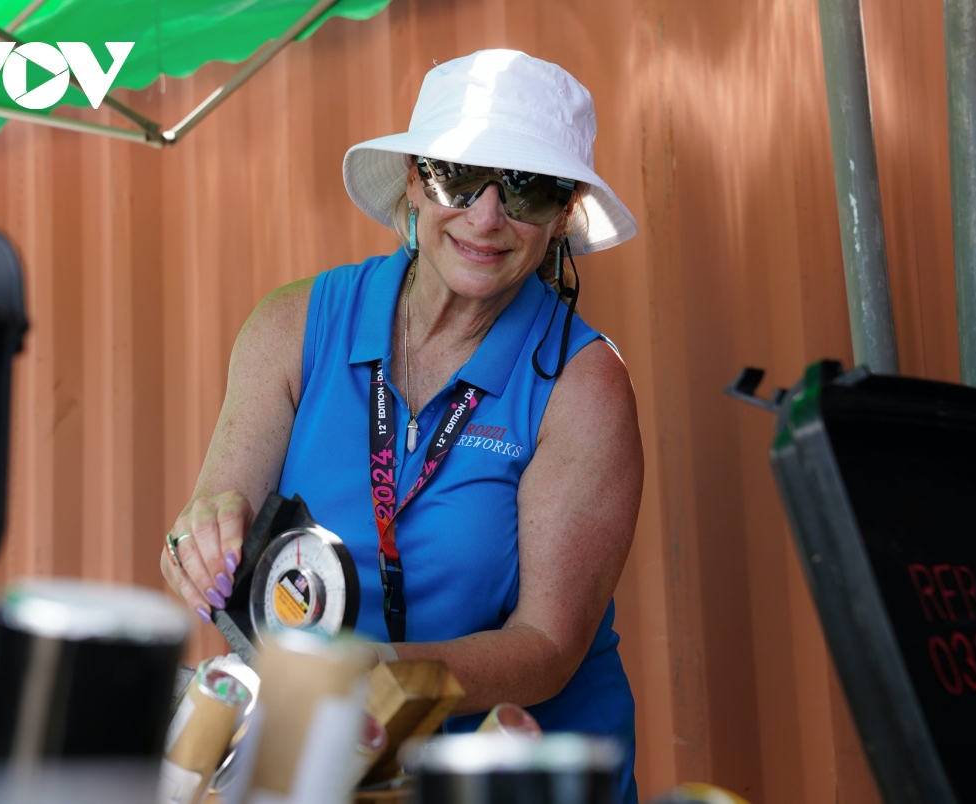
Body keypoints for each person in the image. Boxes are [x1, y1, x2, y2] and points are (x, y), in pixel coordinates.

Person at [159, 49, 644, 802]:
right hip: (336, 762)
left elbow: (548, 647)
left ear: (563, 212)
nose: (487, 216)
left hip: (513, 771)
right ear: (415, 179)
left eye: (526, 187)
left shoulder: (584, 385)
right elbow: (217, 522)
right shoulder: (291, 326)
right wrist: (198, 543)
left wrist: (376, 673)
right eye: (458, 176)